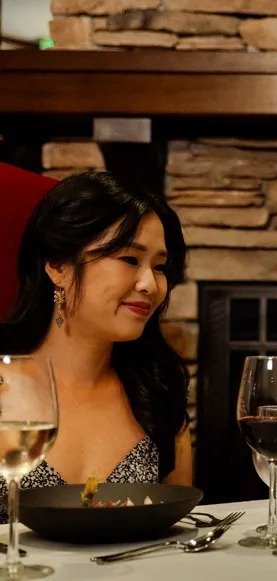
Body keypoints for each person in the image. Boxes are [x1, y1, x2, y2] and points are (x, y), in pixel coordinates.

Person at [0, 171, 192, 521]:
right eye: (129, 259)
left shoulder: (158, 392)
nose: (150, 284)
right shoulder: (4, 385)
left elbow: (174, 534)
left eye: (161, 267)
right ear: (57, 265)